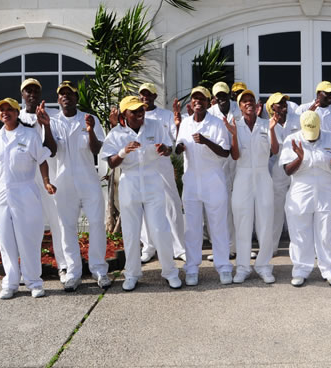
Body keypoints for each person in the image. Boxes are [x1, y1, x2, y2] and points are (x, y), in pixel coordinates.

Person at [0, 98, 56, 300]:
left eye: (9, 109)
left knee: (28, 238)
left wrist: (46, 182)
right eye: (1, 110)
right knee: (5, 238)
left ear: (17, 112)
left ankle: (34, 282)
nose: (5, 113)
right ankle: (10, 282)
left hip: (25, 190)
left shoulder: (30, 135)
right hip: (2, 192)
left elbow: (42, 160)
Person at [100, 96, 181, 291]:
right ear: (124, 114)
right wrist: (123, 152)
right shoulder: (116, 134)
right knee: (131, 231)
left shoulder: (155, 125)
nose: (139, 113)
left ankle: (170, 272)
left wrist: (165, 149)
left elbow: (169, 148)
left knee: (160, 229)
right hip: (130, 181)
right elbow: (110, 163)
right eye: (134, 111)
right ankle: (132, 274)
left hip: (153, 179)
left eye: (141, 110)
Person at [50, 81, 111, 291]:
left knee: (96, 223)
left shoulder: (89, 118)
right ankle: (73, 272)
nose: (66, 97)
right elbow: (50, 150)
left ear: (76, 98)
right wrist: (43, 126)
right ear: (58, 99)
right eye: (62, 94)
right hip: (64, 180)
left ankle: (99, 269)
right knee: (67, 227)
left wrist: (91, 130)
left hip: (88, 179)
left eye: (70, 94)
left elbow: (96, 149)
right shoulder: (52, 121)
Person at [280, 111, 331, 287]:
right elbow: (287, 170)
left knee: (327, 232)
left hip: (325, 191)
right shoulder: (292, 139)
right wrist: (300, 158)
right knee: (300, 233)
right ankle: (301, 270)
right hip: (301, 192)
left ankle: (329, 269)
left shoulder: (330, 137)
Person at [176, 86, 233, 286]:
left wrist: (206, 141)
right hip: (191, 182)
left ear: (210, 103)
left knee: (218, 226)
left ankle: (224, 267)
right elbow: (179, 145)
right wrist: (178, 147)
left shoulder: (217, 124)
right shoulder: (185, 123)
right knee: (192, 228)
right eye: (194, 99)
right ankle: (191, 268)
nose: (197, 102)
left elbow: (225, 152)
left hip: (213, 181)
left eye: (202, 99)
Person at [225, 89, 280, 283]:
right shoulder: (235, 125)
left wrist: (272, 130)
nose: (248, 103)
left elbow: (274, 151)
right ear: (239, 106)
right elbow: (235, 155)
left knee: (265, 221)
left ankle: (264, 266)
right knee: (242, 222)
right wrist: (233, 135)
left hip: (263, 176)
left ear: (256, 105)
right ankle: (242, 267)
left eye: (251, 100)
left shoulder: (267, 124)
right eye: (244, 101)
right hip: (243, 176)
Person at [17, 78, 65, 280]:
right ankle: (29, 270)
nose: (32, 94)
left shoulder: (52, 115)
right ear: (22, 94)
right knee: (27, 226)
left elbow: (52, 151)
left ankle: (64, 266)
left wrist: (44, 124)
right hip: (25, 181)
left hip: (49, 178)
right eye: (28, 91)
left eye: (36, 91)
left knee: (58, 222)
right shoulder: (16, 117)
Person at [136, 82, 187, 264]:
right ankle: (149, 247)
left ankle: (178, 247)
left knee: (172, 203)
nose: (145, 97)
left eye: (149, 94)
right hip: (142, 167)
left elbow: (176, 139)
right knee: (144, 205)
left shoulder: (165, 115)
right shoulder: (134, 115)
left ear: (155, 96)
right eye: (142, 94)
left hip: (162, 165)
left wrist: (178, 122)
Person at [207, 81, 241, 259]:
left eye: (224, 95)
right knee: (220, 206)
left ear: (229, 95)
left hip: (237, 162)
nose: (221, 98)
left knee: (238, 205)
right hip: (218, 164)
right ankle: (222, 248)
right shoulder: (209, 113)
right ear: (214, 97)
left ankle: (237, 246)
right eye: (218, 95)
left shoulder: (238, 109)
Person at [266, 92, 300, 257]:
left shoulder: (297, 120)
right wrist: (272, 130)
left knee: (298, 209)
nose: (283, 105)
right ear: (272, 107)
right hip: (279, 170)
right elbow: (274, 150)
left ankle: (301, 247)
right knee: (277, 210)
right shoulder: (267, 124)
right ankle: (272, 247)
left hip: (298, 168)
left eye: (284, 103)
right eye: (279, 103)